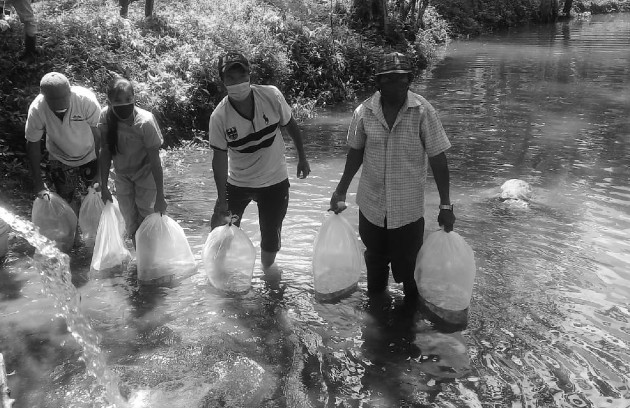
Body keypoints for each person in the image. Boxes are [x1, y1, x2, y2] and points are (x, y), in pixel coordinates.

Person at [329, 52, 456, 303]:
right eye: (388, 80)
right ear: (378, 83)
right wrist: (341, 190)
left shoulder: (423, 112)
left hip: (407, 212)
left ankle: (407, 324)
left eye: (401, 80)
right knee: (374, 261)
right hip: (371, 207)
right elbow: (355, 153)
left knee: (410, 271)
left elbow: (438, 160)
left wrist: (445, 205)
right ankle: (376, 316)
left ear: (409, 81)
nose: (395, 86)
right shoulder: (364, 112)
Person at [209, 51, 310, 276]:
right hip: (238, 183)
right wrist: (222, 200)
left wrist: (302, 157)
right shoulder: (219, 117)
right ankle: (220, 276)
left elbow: (290, 125)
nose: (237, 83)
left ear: (249, 74)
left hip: (274, 180)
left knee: (271, 235)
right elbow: (218, 161)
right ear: (223, 81)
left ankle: (268, 275)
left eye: (241, 75)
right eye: (230, 78)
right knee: (221, 232)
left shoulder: (271, 96)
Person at [99, 77, 167, 242]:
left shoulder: (145, 122)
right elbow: (105, 152)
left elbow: (155, 161)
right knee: (130, 221)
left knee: (148, 217)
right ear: (109, 101)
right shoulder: (105, 118)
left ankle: (151, 258)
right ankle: (140, 260)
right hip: (122, 175)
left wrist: (160, 195)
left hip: (146, 173)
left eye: (128, 99)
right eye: (118, 101)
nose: (124, 104)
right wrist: (104, 186)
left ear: (134, 98)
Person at [25, 72, 101, 213]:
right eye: (54, 100)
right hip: (60, 157)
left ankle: (95, 231)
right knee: (66, 201)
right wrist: (38, 182)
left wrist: (102, 173)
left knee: (96, 195)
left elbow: (100, 137)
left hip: (90, 154)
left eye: (64, 97)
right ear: (44, 97)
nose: (60, 103)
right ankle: (72, 230)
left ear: (70, 90)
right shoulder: (37, 109)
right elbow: (33, 144)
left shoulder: (85, 101)